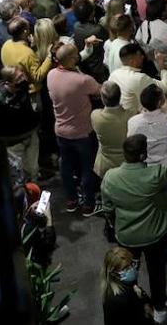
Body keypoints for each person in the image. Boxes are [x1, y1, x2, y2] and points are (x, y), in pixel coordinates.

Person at [101, 134, 167, 319]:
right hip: (154, 235)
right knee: (157, 273)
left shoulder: (110, 177)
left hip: (126, 236)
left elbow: (108, 207)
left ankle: (131, 303)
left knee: (126, 271)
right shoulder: (155, 174)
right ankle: (160, 308)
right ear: (143, 155)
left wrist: (113, 222)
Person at [47, 42, 102, 213]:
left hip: (61, 131)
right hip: (82, 133)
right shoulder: (82, 80)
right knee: (87, 168)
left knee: (66, 167)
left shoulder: (51, 75)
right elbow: (99, 90)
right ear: (72, 59)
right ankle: (88, 204)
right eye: (76, 55)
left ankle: (71, 200)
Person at [102, 246, 157, 325]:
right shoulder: (117, 300)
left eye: (132, 263)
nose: (132, 269)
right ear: (114, 273)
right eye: (125, 268)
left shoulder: (126, 283)